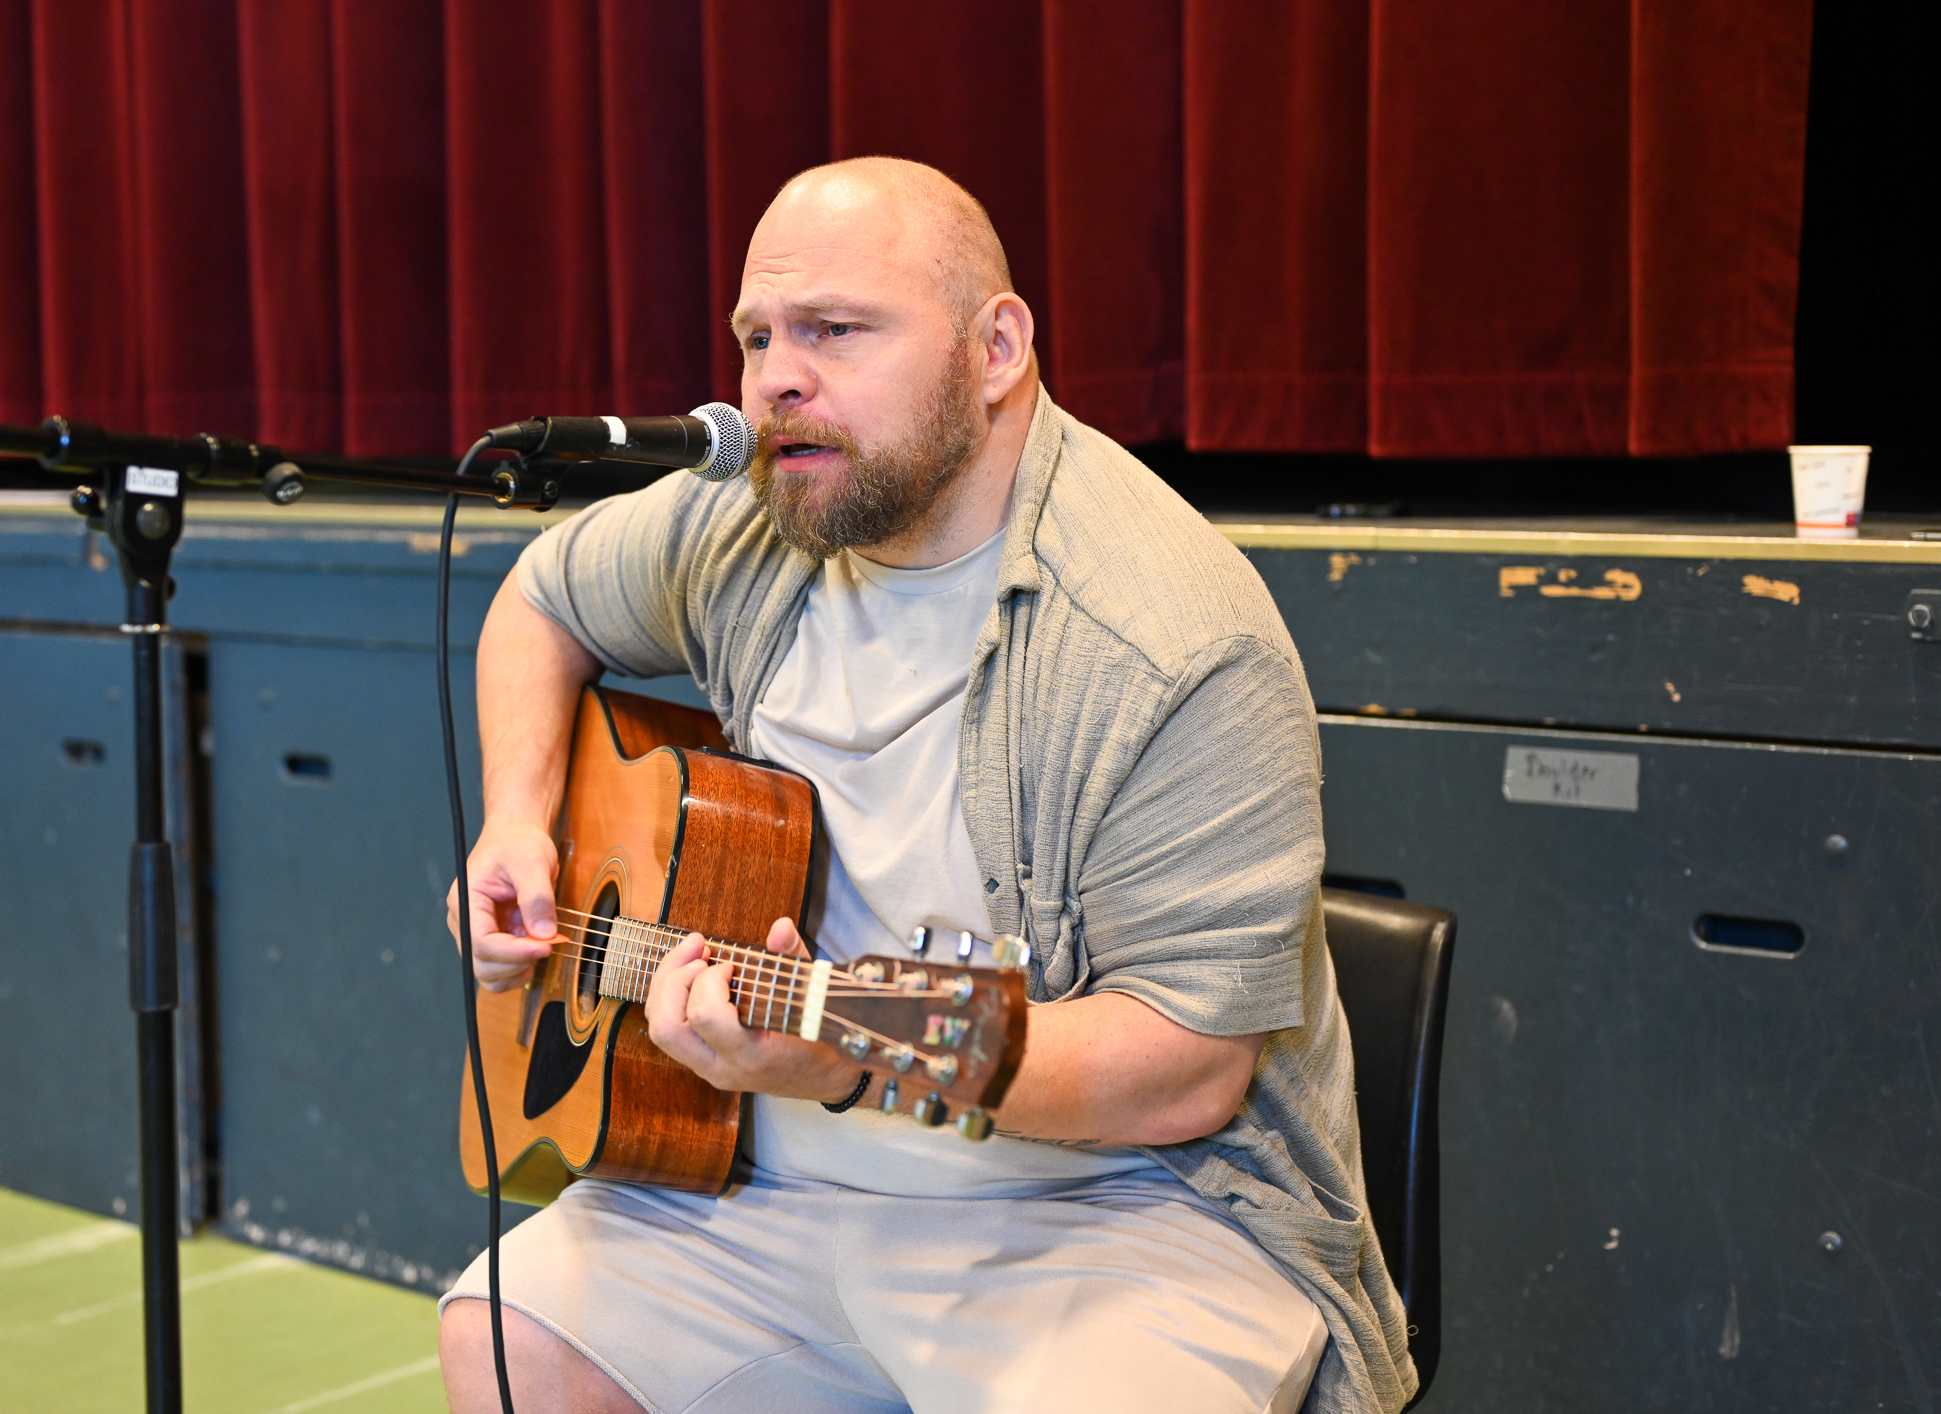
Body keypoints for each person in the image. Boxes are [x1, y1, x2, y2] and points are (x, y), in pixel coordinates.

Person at [437, 157, 1415, 1414]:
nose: (779, 377)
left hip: (1118, 1213)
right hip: (771, 1184)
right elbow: (541, 596)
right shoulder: (754, 516)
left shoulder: (1172, 637)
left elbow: (1186, 1069)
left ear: (995, 346)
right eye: (757, 337)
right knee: (507, 1340)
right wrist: (518, 818)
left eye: (836, 330)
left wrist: (843, 1051)